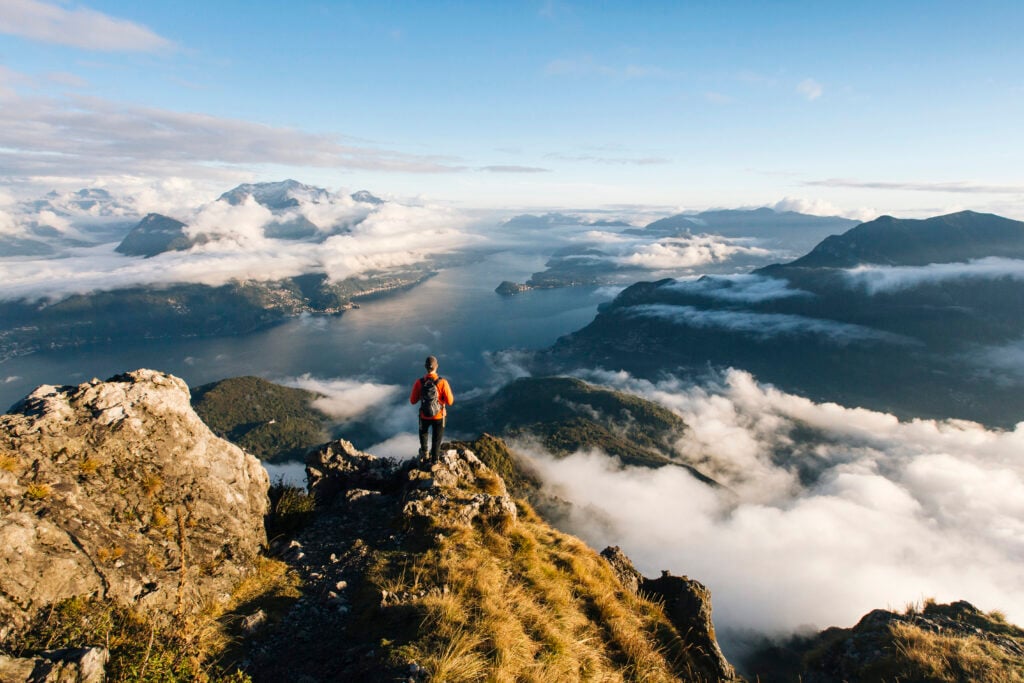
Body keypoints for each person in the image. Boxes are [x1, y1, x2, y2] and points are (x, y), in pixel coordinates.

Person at [409, 355, 454, 461]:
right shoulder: (443, 382)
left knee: (423, 433)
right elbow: (450, 401)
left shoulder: (419, 383)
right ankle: (434, 460)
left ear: (425, 367)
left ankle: (424, 453)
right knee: (436, 439)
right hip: (439, 416)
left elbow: (412, 401)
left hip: (424, 415)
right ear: (436, 366)